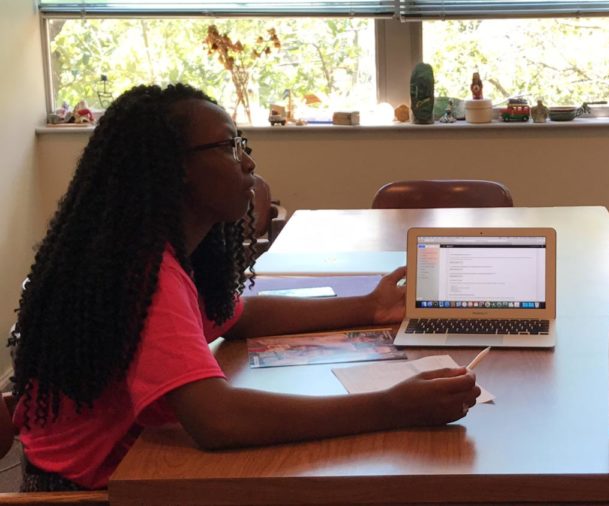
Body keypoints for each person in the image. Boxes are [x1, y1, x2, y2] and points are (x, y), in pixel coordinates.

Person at [8, 83, 480, 492]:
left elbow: (240, 315)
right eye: (230, 147)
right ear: (175, 170)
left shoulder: (163, 253)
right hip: (92, 491)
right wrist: (390, 408)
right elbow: (218, 420)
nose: (248, 161)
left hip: (116, 469)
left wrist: (369, 307)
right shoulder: (143, 272)